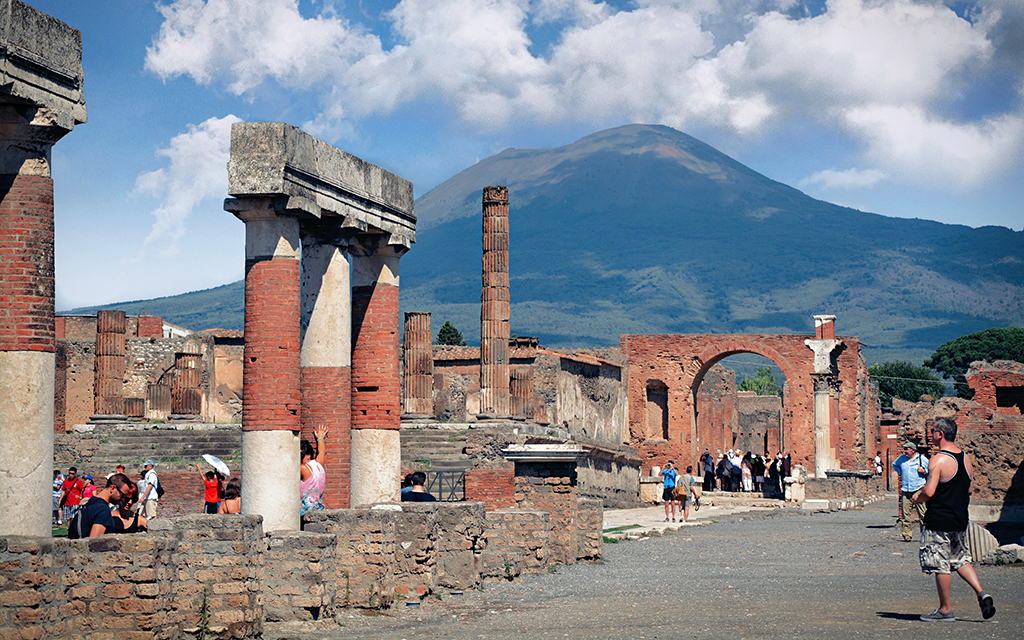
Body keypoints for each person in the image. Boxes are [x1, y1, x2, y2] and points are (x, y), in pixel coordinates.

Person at [912, 417, 995, 622]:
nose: (930, 434)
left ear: (940, 433)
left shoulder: (938, 459)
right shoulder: (966, 459)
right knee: (960, 560)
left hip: (939, 519)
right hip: (959, 519)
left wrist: (917, 498)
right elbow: (969, 489)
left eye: (932, 431)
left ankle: (945, 609)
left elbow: (929, 492)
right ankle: (981, 593)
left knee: (940, 564)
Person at [892, 440, 929, 541]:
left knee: (923, 514)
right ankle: (907, 535)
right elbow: (894, 465)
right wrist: (902, 472)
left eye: (906, 449)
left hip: (918, 489)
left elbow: (931, 470)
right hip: (906, 489)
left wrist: (924, 471)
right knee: (905, 514)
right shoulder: (902, 459)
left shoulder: (922, 459)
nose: (905, 451)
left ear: (913, 450)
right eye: (904, 449)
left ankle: (925, 535)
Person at [73, 473, 130, 538]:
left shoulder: (89, 503)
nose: (122, 499)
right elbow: (94, 542)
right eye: (122, 495)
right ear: (113, 488)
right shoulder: (103, 510)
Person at [301, 424, 329, 515]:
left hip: (304, 512)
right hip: (318, 510)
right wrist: (320, 438)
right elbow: (321, 452)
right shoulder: (318, 466)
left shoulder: (303, 468)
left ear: (308, 455)